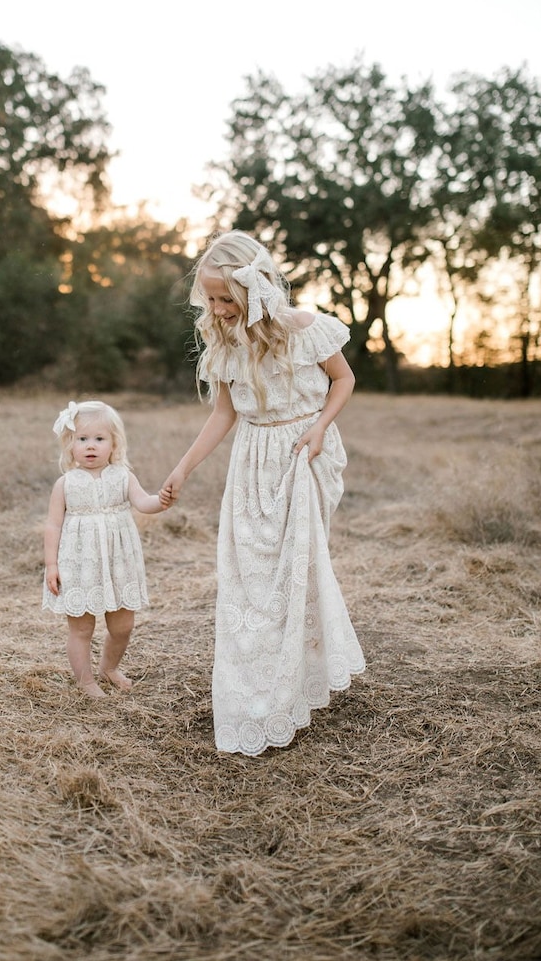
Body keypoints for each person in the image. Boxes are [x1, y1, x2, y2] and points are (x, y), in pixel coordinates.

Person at [161, 230, 365, 756]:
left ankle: (295, 681)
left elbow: (343, 381)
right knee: (252, 577)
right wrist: (183, 468)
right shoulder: (223, 343)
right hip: (252, 463)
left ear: (258, 287)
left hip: (304, 452)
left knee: (294, 569)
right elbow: (224, 415)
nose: (218, 308)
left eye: (227, 297)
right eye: (210, 298)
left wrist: (319, 429)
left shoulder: (308, 329)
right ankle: (259, 687)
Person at [43, 399, 171, 698]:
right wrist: (52, 565)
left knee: (123, 625)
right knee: (82, 629)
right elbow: (53, 526)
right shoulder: (65, 484)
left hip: (118, 564)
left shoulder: (123, 477)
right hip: (79, 564)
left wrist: (161, 500)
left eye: (99, 439)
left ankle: (109, 667)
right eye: (82, 439)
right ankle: (86, 681)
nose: (91, 446)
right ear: (70, 444)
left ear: (114, 444)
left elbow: (144, 503)